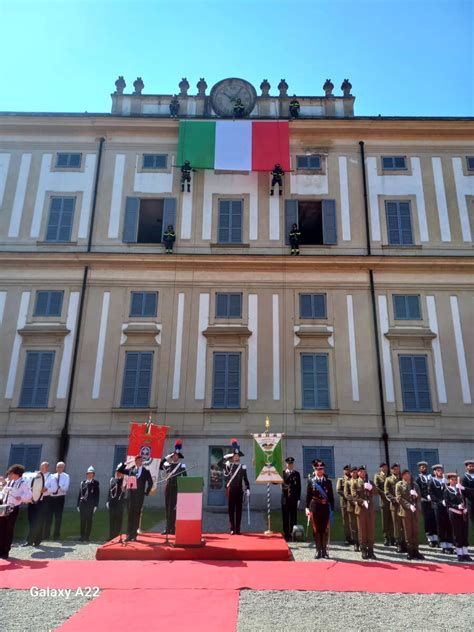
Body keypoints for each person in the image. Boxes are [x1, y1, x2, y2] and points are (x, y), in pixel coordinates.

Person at [0, 464, 32, 559]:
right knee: (1, 529)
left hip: (12, 509)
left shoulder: (23, 483)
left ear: (16, 474)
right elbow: (3, 493)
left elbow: (29, 495)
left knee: (9, 530)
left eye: (11, 473)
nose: (9, 475)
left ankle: (6, 551)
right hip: (3, 507)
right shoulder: (9, 482)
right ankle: (0, 549)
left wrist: (21, 497)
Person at [120, 455, 153, 542]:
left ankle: (134, 535)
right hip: (130, 496)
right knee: (130, 515)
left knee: (136, 515)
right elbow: (120, 470)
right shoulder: (131, 470)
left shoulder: (146, 471)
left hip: (139, 497)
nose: (139, 462)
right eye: (137, 460)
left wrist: (147, 491)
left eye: (140, 460)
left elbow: (150, 482)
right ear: (135, 461)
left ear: (142, 461)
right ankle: (129, 535)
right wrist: (126, 463)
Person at [306, 460, 334, 559]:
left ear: (323, 470)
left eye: (321, 469)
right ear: (315, 469)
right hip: (315, 507)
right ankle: (318, 550)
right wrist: (306, 508)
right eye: (317, 469)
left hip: (325, 508)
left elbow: (331, 496)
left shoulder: (328, 482)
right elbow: (308, 496)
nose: (319, 471)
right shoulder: (311, 481)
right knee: (316, 529)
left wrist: (332, 509)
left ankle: (324, 550)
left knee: (324, 529)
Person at [221, 439, 250, 535]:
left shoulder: (243, 467)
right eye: (235, 456)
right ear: (232, 457)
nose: (236, 457)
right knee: (231, 509)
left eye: (237, 456)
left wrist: (248, 488)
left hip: (239, 490)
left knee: (239, 510)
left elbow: (245, 479)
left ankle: (238, 529)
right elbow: (219, 464)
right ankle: (232, 528)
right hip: (231, 489)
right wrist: (225, 457)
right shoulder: (229, 465)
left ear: (239, 457)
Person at [351, 465, 380, 560]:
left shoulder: (370, 482)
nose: (363, 473)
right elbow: (354, 496)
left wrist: (371, 487)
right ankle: (363, 549)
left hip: (370, 509)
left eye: (364, 471)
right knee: (362, 530)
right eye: (361, 471)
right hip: (361, 509)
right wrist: (362, 502)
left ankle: (370, 550)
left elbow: (376, 492)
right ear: (358, 473)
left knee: (371, 530)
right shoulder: (355, 483)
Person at [396, 469, 424, 560]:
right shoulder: (399, 485)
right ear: (402, 476)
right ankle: (410, 551)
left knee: (415, 531)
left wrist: (416, 495)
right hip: (405, 511)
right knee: (408, 532)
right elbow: (399, 498)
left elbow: (419, 497)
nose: (407, 476)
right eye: (405, 474)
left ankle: (416, 550)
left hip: (415, 511)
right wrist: (409, 506)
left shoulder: (415, 485)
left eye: (408, 474)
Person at [160, 440, 187, 535]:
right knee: (168, 508)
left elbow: (185, 477)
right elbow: (160, 465)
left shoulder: (182, 466)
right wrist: (166, 458)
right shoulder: (168, 465)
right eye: (173, 456)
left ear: (178, 457)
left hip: (177, 488)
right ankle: (167, 528)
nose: (175, 457)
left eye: (176, 456)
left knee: (174, 508)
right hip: (168, 487)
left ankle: (173, 528)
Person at [444, 472, 471, 562]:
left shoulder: (460, 489)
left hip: (463, 513)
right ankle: (459, 554)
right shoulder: (447, 491)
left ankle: (465, 553)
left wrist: (465, 507)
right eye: (452, 479)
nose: (454, 481)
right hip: (454, 513)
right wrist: (457, 506)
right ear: (449, 480)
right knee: (457, 533)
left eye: (455, 479)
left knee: (464, 532)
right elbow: (448, 503)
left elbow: (468, 497)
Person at [22, 461, 50, 548]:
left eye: (44, 467)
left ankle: (37, 540)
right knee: (31, 521)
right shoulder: (35, 475)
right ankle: (30, 540)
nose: (42, 469)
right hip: (32, 501)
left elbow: (54, 488)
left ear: (47, 468)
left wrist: (46, 489)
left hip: (42, 502)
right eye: (41, 467)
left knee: (39, 521)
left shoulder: (51, 477)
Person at [429, 464, 454, 554]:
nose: (440, 472)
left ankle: (450, 545)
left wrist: (445, 484)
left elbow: (450, 492)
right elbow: (432, 494)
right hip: (438, 506)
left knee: (449, 524)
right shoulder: (432, 482)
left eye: (441, 470)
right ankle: (443, 545)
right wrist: (440, 501)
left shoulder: (446, 481)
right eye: (438, 470)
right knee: (441, 525)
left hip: (447, 506)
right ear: (434, 472)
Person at [44, 461, 70, 540]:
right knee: (48, 517)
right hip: (51, 498)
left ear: (63, 468)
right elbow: (47, 486)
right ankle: (46, 535)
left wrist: (58, 485)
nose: (58, 468)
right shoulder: (52, 476)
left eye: (60, 467)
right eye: (57, 467)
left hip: (60, 498)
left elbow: (65, 489)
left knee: (58, 517)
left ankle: (56, 535)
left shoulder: (66, 476)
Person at [415, 461, 438, 547]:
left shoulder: (431, 476)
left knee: (434, 519)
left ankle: (435, 538)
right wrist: (426, 496)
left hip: (433, 500)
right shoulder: (418, 478)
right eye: (422, 467)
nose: (423, 468)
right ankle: (430, 539)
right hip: (424, 501)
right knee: (427, 520)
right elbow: (418, 489)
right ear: (419, 469)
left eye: (425, 467)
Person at [384, 463, 406, 552]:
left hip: (403, 505)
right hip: (395, 505)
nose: (396, 470)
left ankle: (405, 542)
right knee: (396, 525)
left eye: (397, 469)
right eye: (394, 469)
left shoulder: (402, 479)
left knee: (404, 524)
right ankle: (398, 543)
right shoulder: (388, 479)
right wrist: (394, 499)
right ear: (391, 470)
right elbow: (387, 493)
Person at [77, 466, 100, 542]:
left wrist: (96, 505)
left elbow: (97, 495)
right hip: (83, 504)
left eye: (91, 474)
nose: (89, 475)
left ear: (93, 475)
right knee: (82, 521)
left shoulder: (95, 483)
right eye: (88, 474)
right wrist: (78, 504)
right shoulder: (83, 483)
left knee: (89, 520)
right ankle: (82, 536)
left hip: (90, 505)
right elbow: (80, 494)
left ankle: (87, 536)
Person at [281, 457, 301, 541]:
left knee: (293, 517)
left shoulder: (296, 474)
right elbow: (276, 482)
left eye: (291, 464)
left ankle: (293, 534)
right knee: (285, 517)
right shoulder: (282, 473)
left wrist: (299, 499)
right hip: (285, 498)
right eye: (288, 464)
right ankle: (286, 535)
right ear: (286, 464)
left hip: (293, 498)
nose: (290, 465)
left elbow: (299, 487)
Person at [374, 462, 393, 546]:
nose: (385, 468)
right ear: (380, 468)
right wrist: (386, 495)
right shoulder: (377, 476)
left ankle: (393, 537)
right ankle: (386, 538)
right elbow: (377, 487)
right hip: (384, 501)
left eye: (386, 467)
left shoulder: (390, 476)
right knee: (385, 520)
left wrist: (391, 497)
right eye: (383, 467)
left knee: (392, 520)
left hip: (392, 501)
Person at [106, 463, 127, 540]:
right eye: (117, 471)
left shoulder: (124, 481)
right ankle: (111, 536)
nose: (117, 473)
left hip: (119, 503)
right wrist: (108, 501)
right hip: (112, 503)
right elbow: (109, 491)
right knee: (111, 520)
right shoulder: (112, 480)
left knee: (118, 521)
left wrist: (122, 476)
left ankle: (116, 536)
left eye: (119, 472)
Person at [344, 466, 359, 551]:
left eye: (356, 472)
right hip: (352, 507)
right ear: (350, 473)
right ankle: (356, 543)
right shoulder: (348, 482)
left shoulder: (360, 481)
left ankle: (362, 542)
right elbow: (346, 494)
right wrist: (354, 502)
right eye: (353, 472)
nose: (354, 473)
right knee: (353, 526)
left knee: (360, 526)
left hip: (360, 507)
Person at [336, 465, 352, 545]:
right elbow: (338, 490)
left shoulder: (353, 479)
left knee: (352, 521)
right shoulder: (341, 479)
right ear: (343, 471)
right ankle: (347, 538)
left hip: (352, 503)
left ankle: (354, 537)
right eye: (346, 470)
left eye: (348, 470)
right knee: (345, 521)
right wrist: (347, 497)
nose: (347, 471)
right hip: (345, 503)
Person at [461, 459, 474, 526]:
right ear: (466, 467)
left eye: (473, 466)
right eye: (470, 466)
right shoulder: (465, 478)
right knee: (472, 518)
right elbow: (463, 491)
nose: (472, 467)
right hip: (470, 501)